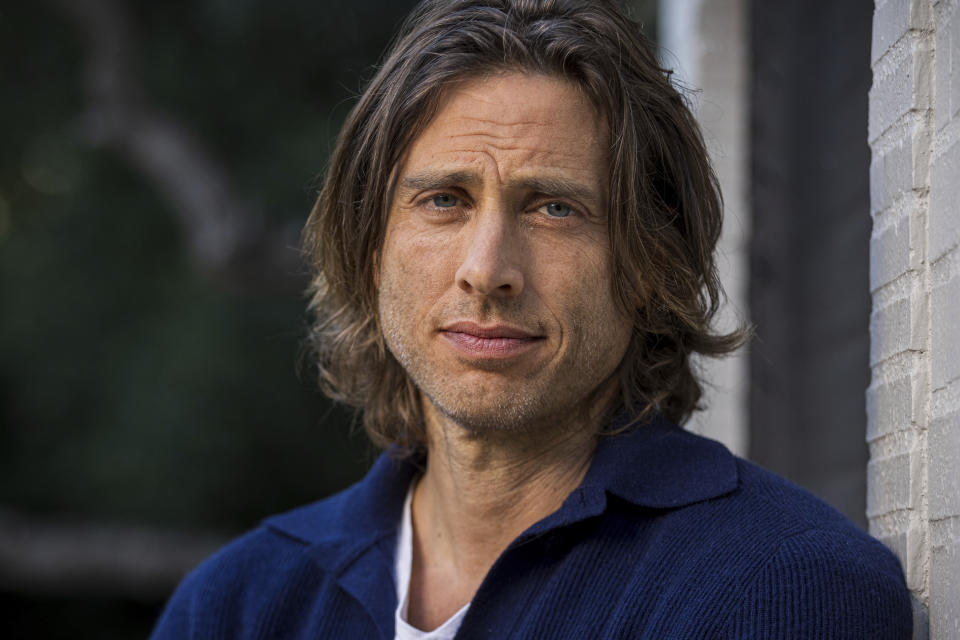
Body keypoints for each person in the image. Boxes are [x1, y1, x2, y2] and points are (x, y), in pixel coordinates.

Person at [151, 0, 912, 637]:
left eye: (554, 208)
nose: (487, 270)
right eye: (444, 199)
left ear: (651, 265)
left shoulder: (782, 588)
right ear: (370, 246)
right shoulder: (235, 606)